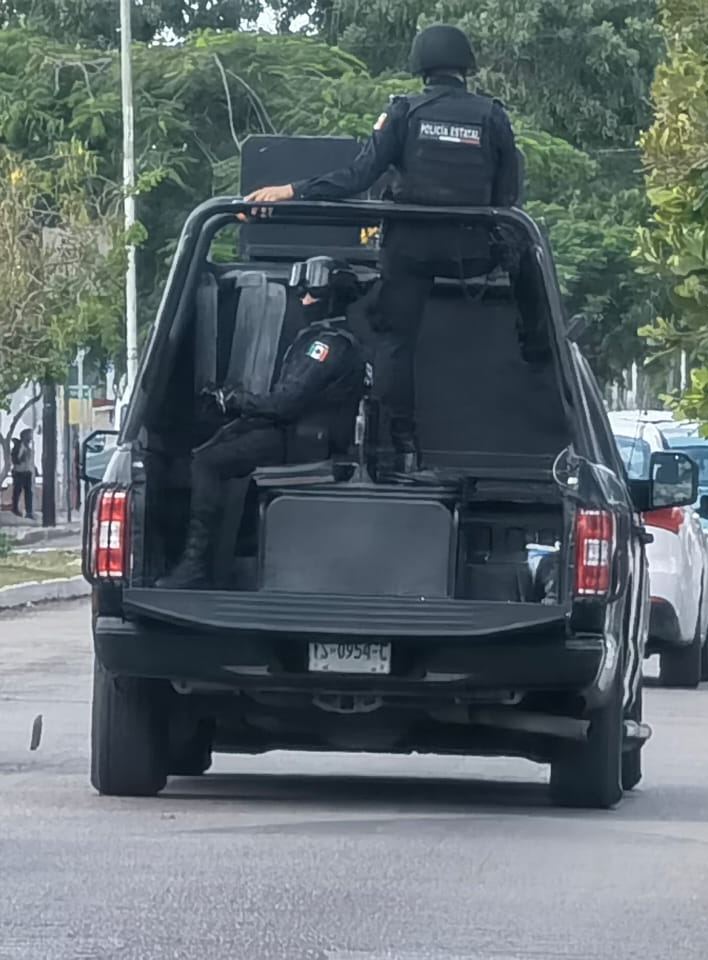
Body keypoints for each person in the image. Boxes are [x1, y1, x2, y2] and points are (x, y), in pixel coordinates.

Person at [243, 23, 523, 475]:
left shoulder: (404, 113)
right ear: (465, 66)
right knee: (529, 249)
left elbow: (357, 177)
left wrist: (292, 190)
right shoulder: (492, 116)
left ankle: (403, 446)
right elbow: (509, 198)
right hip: (471, 252)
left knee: (394, 342)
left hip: (410, 247)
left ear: (420, 67)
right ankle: (537, 344)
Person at [156, 256, 369, 589]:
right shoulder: (326, 339)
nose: (304, 300)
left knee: (208, 463)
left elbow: (285, 403)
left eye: (311, 294)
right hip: (299, 437)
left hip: (302, 444)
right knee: (219, 445)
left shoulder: (325, 345)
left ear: (332, 298)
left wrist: (236, 400)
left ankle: (195, 565)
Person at [10, 427, 35, 519]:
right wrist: (20, 460)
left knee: (29, 492)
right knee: (17, 491)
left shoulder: (28, 447)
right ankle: (15, 509)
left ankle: (29, 512)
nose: (31, 437)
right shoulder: (20, 446)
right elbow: (16, 459)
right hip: (19, 472)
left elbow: (30, 460)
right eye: (30, 435)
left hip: (27, 471)